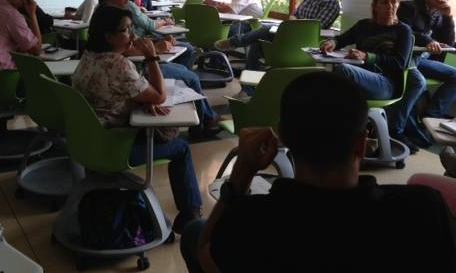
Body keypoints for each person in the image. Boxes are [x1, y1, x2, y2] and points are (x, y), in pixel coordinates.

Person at [181, 71, 456, 272]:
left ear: (283, 138)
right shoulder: (424, 209)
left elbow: (206, 254)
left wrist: (241, 173)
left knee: (195, 231)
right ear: (362, 143)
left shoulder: (252, 221)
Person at [72, 5, 202, 233]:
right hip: (114, 147)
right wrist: (152, 57)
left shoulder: (89, 56)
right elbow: (160, 95)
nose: (132, 35)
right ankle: (191, 217)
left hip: (86, 142)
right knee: (181, 148)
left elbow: (116, 92)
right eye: (126, 30)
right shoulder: (118, 65)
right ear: (108, 36)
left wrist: (141, 99)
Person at [99, 0, 220, 136]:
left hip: (137, 63)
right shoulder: (111, 16)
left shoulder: (109, 12)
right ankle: (204, 123)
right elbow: (128, 48)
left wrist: (156, 44)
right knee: (191, 77)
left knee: (183, 67)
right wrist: (155, 50)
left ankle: (199, 113)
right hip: (138, 66)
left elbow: (131, 41)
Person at [321, 0, 422, 153]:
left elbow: (400, 63)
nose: (390, 6)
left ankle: (340, 133)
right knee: (327, 79)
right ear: (375, 6)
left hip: (386, 83)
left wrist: (368, 56)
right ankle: (346, 134)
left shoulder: (403, 30)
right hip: (362, 78)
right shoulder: (364, 25)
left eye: (394, 2)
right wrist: (332, 43)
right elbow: (342, 39)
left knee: (344, 70)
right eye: (385, 2)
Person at [216, 0, 341, 70]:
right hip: (291, 31)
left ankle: (235, 42)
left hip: (306, 40)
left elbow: (318, 26)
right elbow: (294, 13)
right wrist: (293, 20)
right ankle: (249, 85)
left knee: (267, 29)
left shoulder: (331, 2)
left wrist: (294, 23)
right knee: (258, 41)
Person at [397, 0, 456, 126]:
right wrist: (429, 41)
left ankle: (430, 116)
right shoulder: (408, 7)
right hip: (407, 59)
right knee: (418, 84)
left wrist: (448, 17)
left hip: (424, 61)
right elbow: (405, 32)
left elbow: (448, 42)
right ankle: (427, 119)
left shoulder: (439, 14)